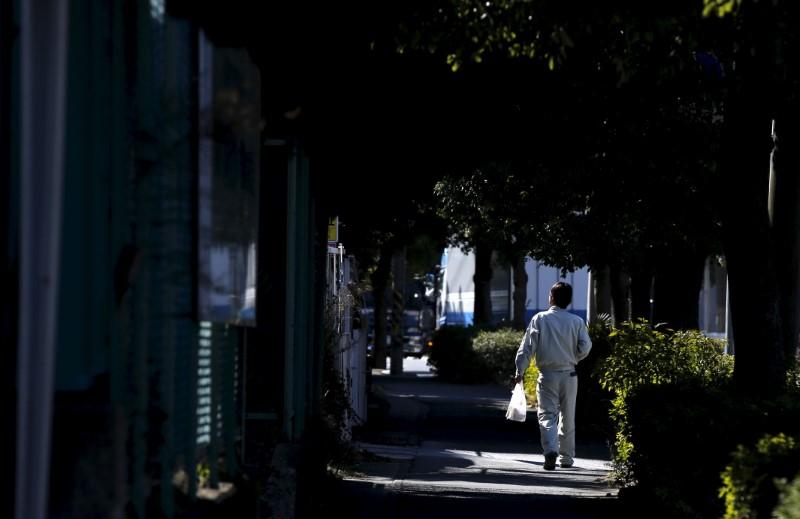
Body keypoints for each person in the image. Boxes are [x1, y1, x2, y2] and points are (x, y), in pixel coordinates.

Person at [514, 281, 592, 471]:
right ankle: (566, 458)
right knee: (568, 415)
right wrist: (575, 357)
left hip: (547, 375)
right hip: (570, 374)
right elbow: (586, 347)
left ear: (552, 298)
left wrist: (519, 371)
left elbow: (526, 348)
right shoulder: (577, 321)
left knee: (547, 414)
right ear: (569, 300)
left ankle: (550, 450)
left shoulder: (539, 319)